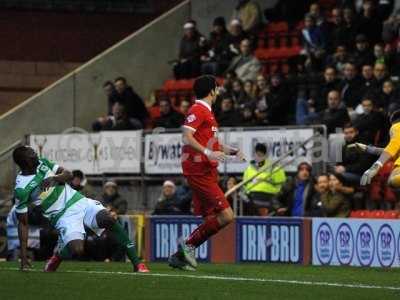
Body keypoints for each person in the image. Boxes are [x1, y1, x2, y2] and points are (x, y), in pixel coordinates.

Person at [12, 146, 149, 272]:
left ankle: (137, 264)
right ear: (26, 162)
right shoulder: (21, 189)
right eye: (32, 154)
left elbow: (68, 174)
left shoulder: (42, 163)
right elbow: (23, 223)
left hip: (79, 201)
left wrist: (54, 178)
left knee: (108, 219)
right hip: (62, 216)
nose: (36, 155)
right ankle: (58, 255)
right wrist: (23, 257)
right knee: (77, 249)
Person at [168, 75, 245, 271]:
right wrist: (209, 153)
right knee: (227, 215)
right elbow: (187, 137)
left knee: (212, 219)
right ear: (212, 91)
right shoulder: (198, 109)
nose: (218, 91)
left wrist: (233, 151)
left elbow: (214, 144)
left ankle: (179, 256)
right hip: (199, 171)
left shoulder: (208, 113)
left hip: (207, 171)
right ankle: (187, 248)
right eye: (217, 88)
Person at [360, 109, 400, 191]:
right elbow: (392, 150)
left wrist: (377, 165)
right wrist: (368, 149)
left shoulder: (397, 126)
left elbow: (394, 144)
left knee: (392, 181)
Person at [242, 143, 286, 216]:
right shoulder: (249, 168)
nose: (259, 156)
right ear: (254, 154)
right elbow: (244, 184)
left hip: (270, 197)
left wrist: (265, 181)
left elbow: (282, 184)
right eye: (257, 154)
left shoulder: (273, 167)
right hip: (252, 197)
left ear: (265, 155)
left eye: (261, 154)